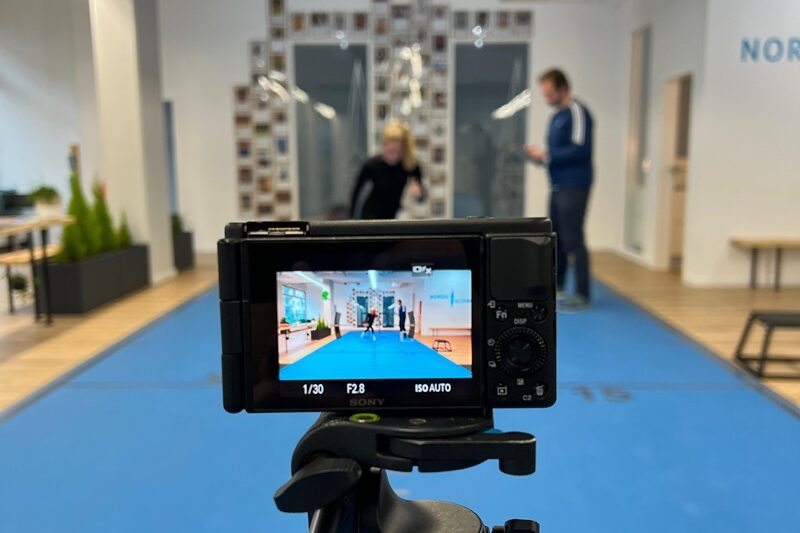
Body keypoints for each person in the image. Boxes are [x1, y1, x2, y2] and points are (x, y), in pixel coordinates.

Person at [525, 68, 594, 311]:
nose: (547, 98)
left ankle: (583, 294)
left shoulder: (577, 111)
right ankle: (560, 285)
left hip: (574, 185)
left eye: (550, 93)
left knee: (573, 239)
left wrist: (548, 155)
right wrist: (539, 157)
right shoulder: (556, 117)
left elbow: (580, 148)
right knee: (557, 237)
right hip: (557, 186)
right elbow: (553, 155)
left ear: (563, 88)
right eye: (544, 93)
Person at [350, 122, 425, 219]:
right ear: (383, 146)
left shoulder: (409, 165)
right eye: (389, 151)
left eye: (396, 151)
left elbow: (421, 198)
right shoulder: (372, 165)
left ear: (403, 149)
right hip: (370, 215)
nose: (392, 155)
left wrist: (418, 193)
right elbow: (356, 192)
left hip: (392, 215)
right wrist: (351, 219)